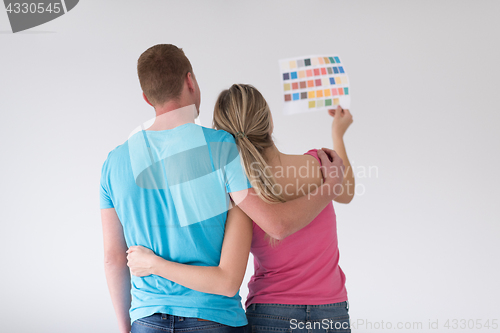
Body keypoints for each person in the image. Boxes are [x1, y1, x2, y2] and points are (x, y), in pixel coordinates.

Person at [101, 45, 344, 333]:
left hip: (146, 318)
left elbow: (113, 258)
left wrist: (125, 326)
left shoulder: (113, 162)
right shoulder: (220, 147)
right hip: (214, 318)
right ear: (190, 81)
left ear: (146, 97)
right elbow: (274, 226)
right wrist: (330, 187)